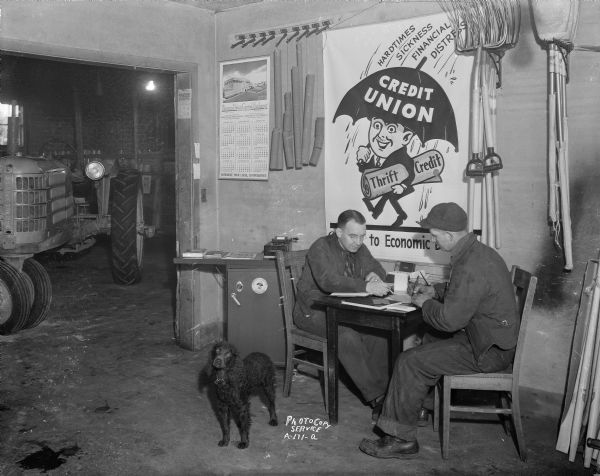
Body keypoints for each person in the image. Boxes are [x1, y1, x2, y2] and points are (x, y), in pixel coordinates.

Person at [360, 202, 519, 458]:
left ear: (449, 235)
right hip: (488, 338)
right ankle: (413, 408)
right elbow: (466, 293)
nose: (432, 241)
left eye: (434, 235)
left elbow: (449, 321)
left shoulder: (470, 264)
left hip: (489, 351)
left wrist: (426, 303)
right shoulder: (475, 253)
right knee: (429, 338)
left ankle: (400, 439)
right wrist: (436, 291)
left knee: (410, 361)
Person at [294, 209, 391, 416]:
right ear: (339, 233)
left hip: (343, 309)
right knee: (346, 336)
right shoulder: (320, 247)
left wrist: (374, 275)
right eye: (353, 236)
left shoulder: (359, 247)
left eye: (363, 236)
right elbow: (329, 281)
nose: (358, 241)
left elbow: (377, 268)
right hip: (313, 312)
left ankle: (385, 394)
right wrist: (366, 287)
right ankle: (376, 398)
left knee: (378, 334)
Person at [356, 117, 416, 228]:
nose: (381, 135)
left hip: (397, 187)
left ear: (406, 138)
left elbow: (411, 174)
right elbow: (367, 172)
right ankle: (377, 212)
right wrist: (361, 160)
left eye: (391, 129)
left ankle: (401, 215)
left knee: (390, 198)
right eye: (377, 126)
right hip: (384, 187)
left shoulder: (403, 158)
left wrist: (403, 186)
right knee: (383, 198)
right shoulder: (375, 154)